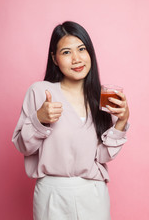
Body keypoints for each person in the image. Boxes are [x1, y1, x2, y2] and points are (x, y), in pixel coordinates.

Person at [12, 21, 129, 220]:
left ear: (90, 52)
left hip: (93, 194)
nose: (76, 59)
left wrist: (121, 122)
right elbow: (25, 147)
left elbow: (101, 156)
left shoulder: (101, 98)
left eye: (82, 49)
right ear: (54, 59)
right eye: (66, 52)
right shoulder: (40, 91)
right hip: (52, 194)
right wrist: (39, 120)